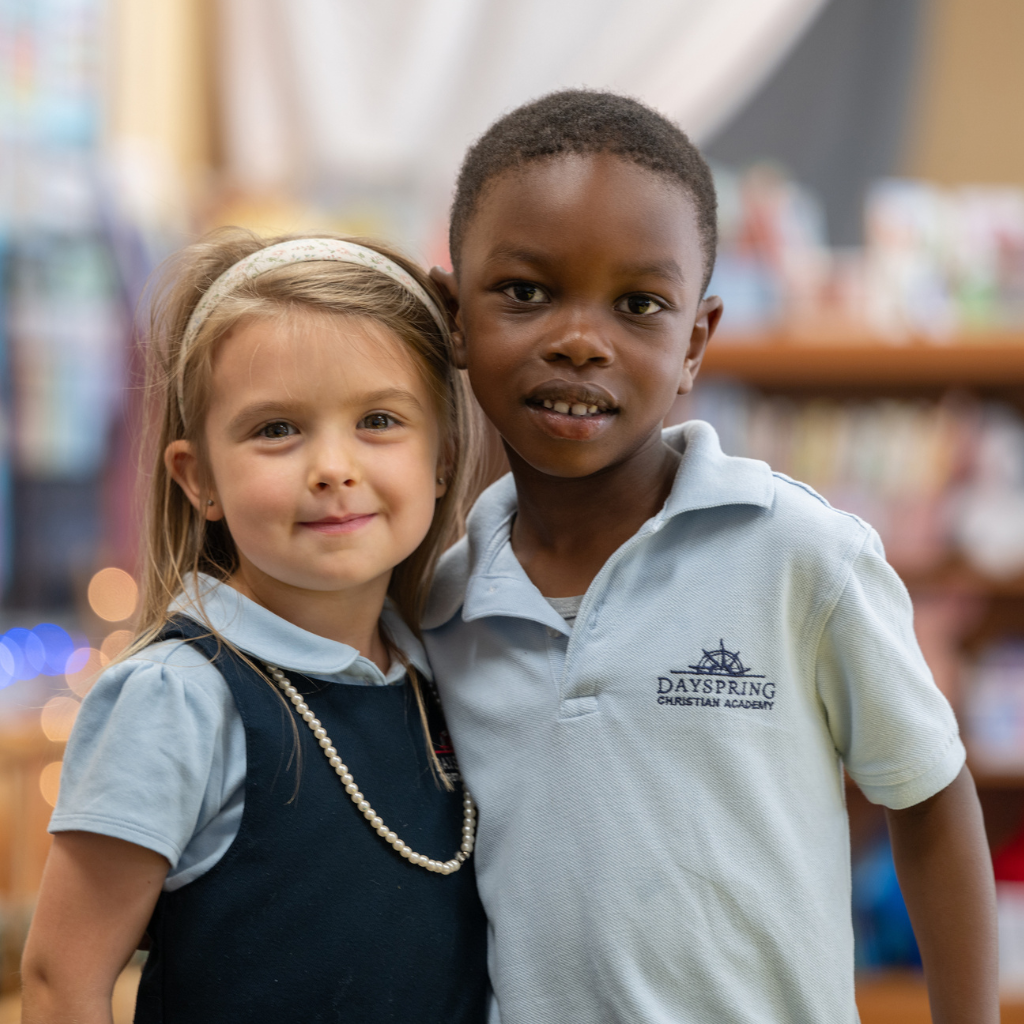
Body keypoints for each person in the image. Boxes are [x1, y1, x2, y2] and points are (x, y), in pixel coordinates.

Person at [424, 91, 998, 1023]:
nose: (579, 340)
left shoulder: (802, 555)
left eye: (639, 305)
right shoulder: (439, 605)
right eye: (526, 292)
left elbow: (930, 803)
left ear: (695, 342)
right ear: (453, 315)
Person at [21, 231, 489, 1023]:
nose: (333, 467)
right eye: (277, 429)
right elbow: (62, 981)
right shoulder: (176, 699)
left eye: (378, 419)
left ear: (441, 458)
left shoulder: (447, 672)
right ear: (198, 476)